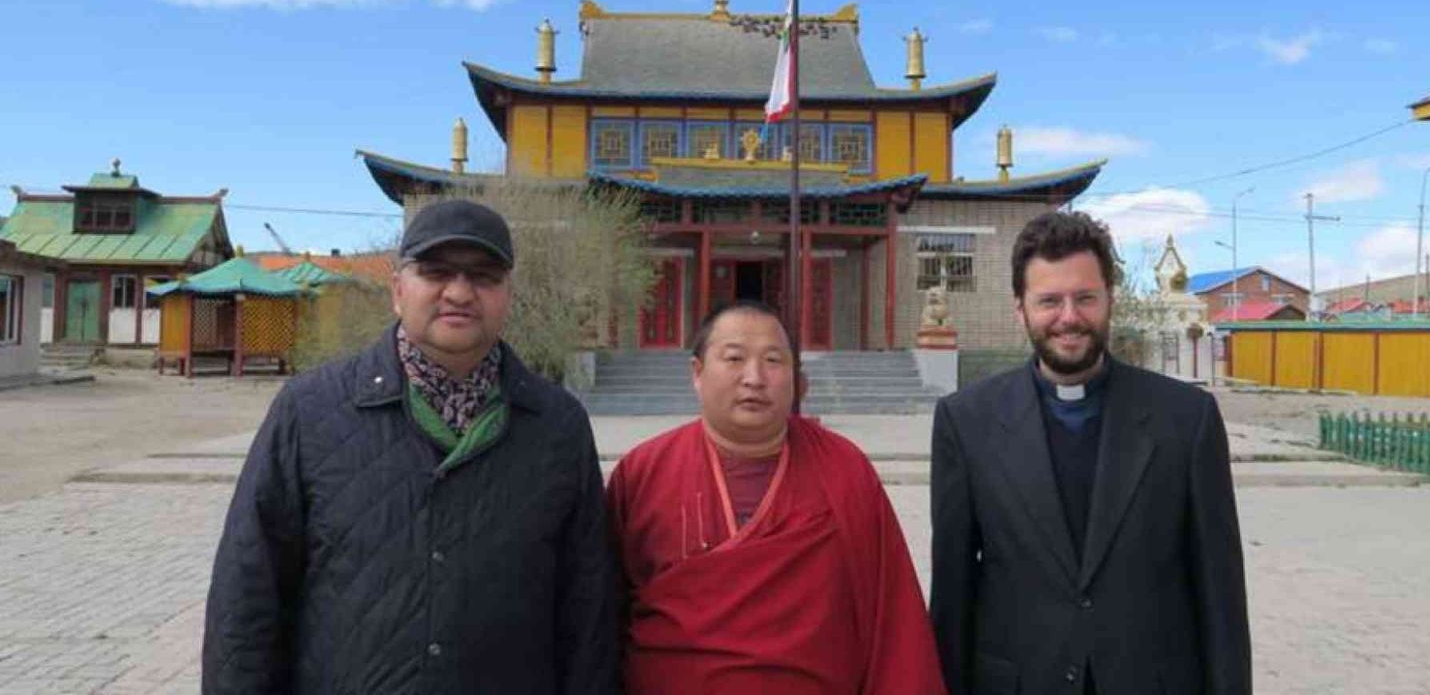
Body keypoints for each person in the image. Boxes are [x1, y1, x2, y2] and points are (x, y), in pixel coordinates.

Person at [202, 199, 620, 694]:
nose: (459, 292)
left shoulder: (557, 425)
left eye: (484, 276)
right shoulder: (310, 410)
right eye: (436, 272)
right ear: (398, 290)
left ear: (508, 295)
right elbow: (247, 592)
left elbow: (587, 607)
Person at [930, 211, 1250, 695]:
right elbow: (952, 592)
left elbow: (1220, 594)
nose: (1069, 317)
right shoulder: (965, 422)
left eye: (1085, 298)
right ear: (1020, 309)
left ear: (1109, 300)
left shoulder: (1187, 419)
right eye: (1049, 301)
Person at [606, 300, 946, 695]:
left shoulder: (844, 470)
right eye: (734, 358)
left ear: (797, 380)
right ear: (697, 373)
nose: (754, 378)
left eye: (773, 361)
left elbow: (894, 617)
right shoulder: (644, 473)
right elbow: (600, 616)